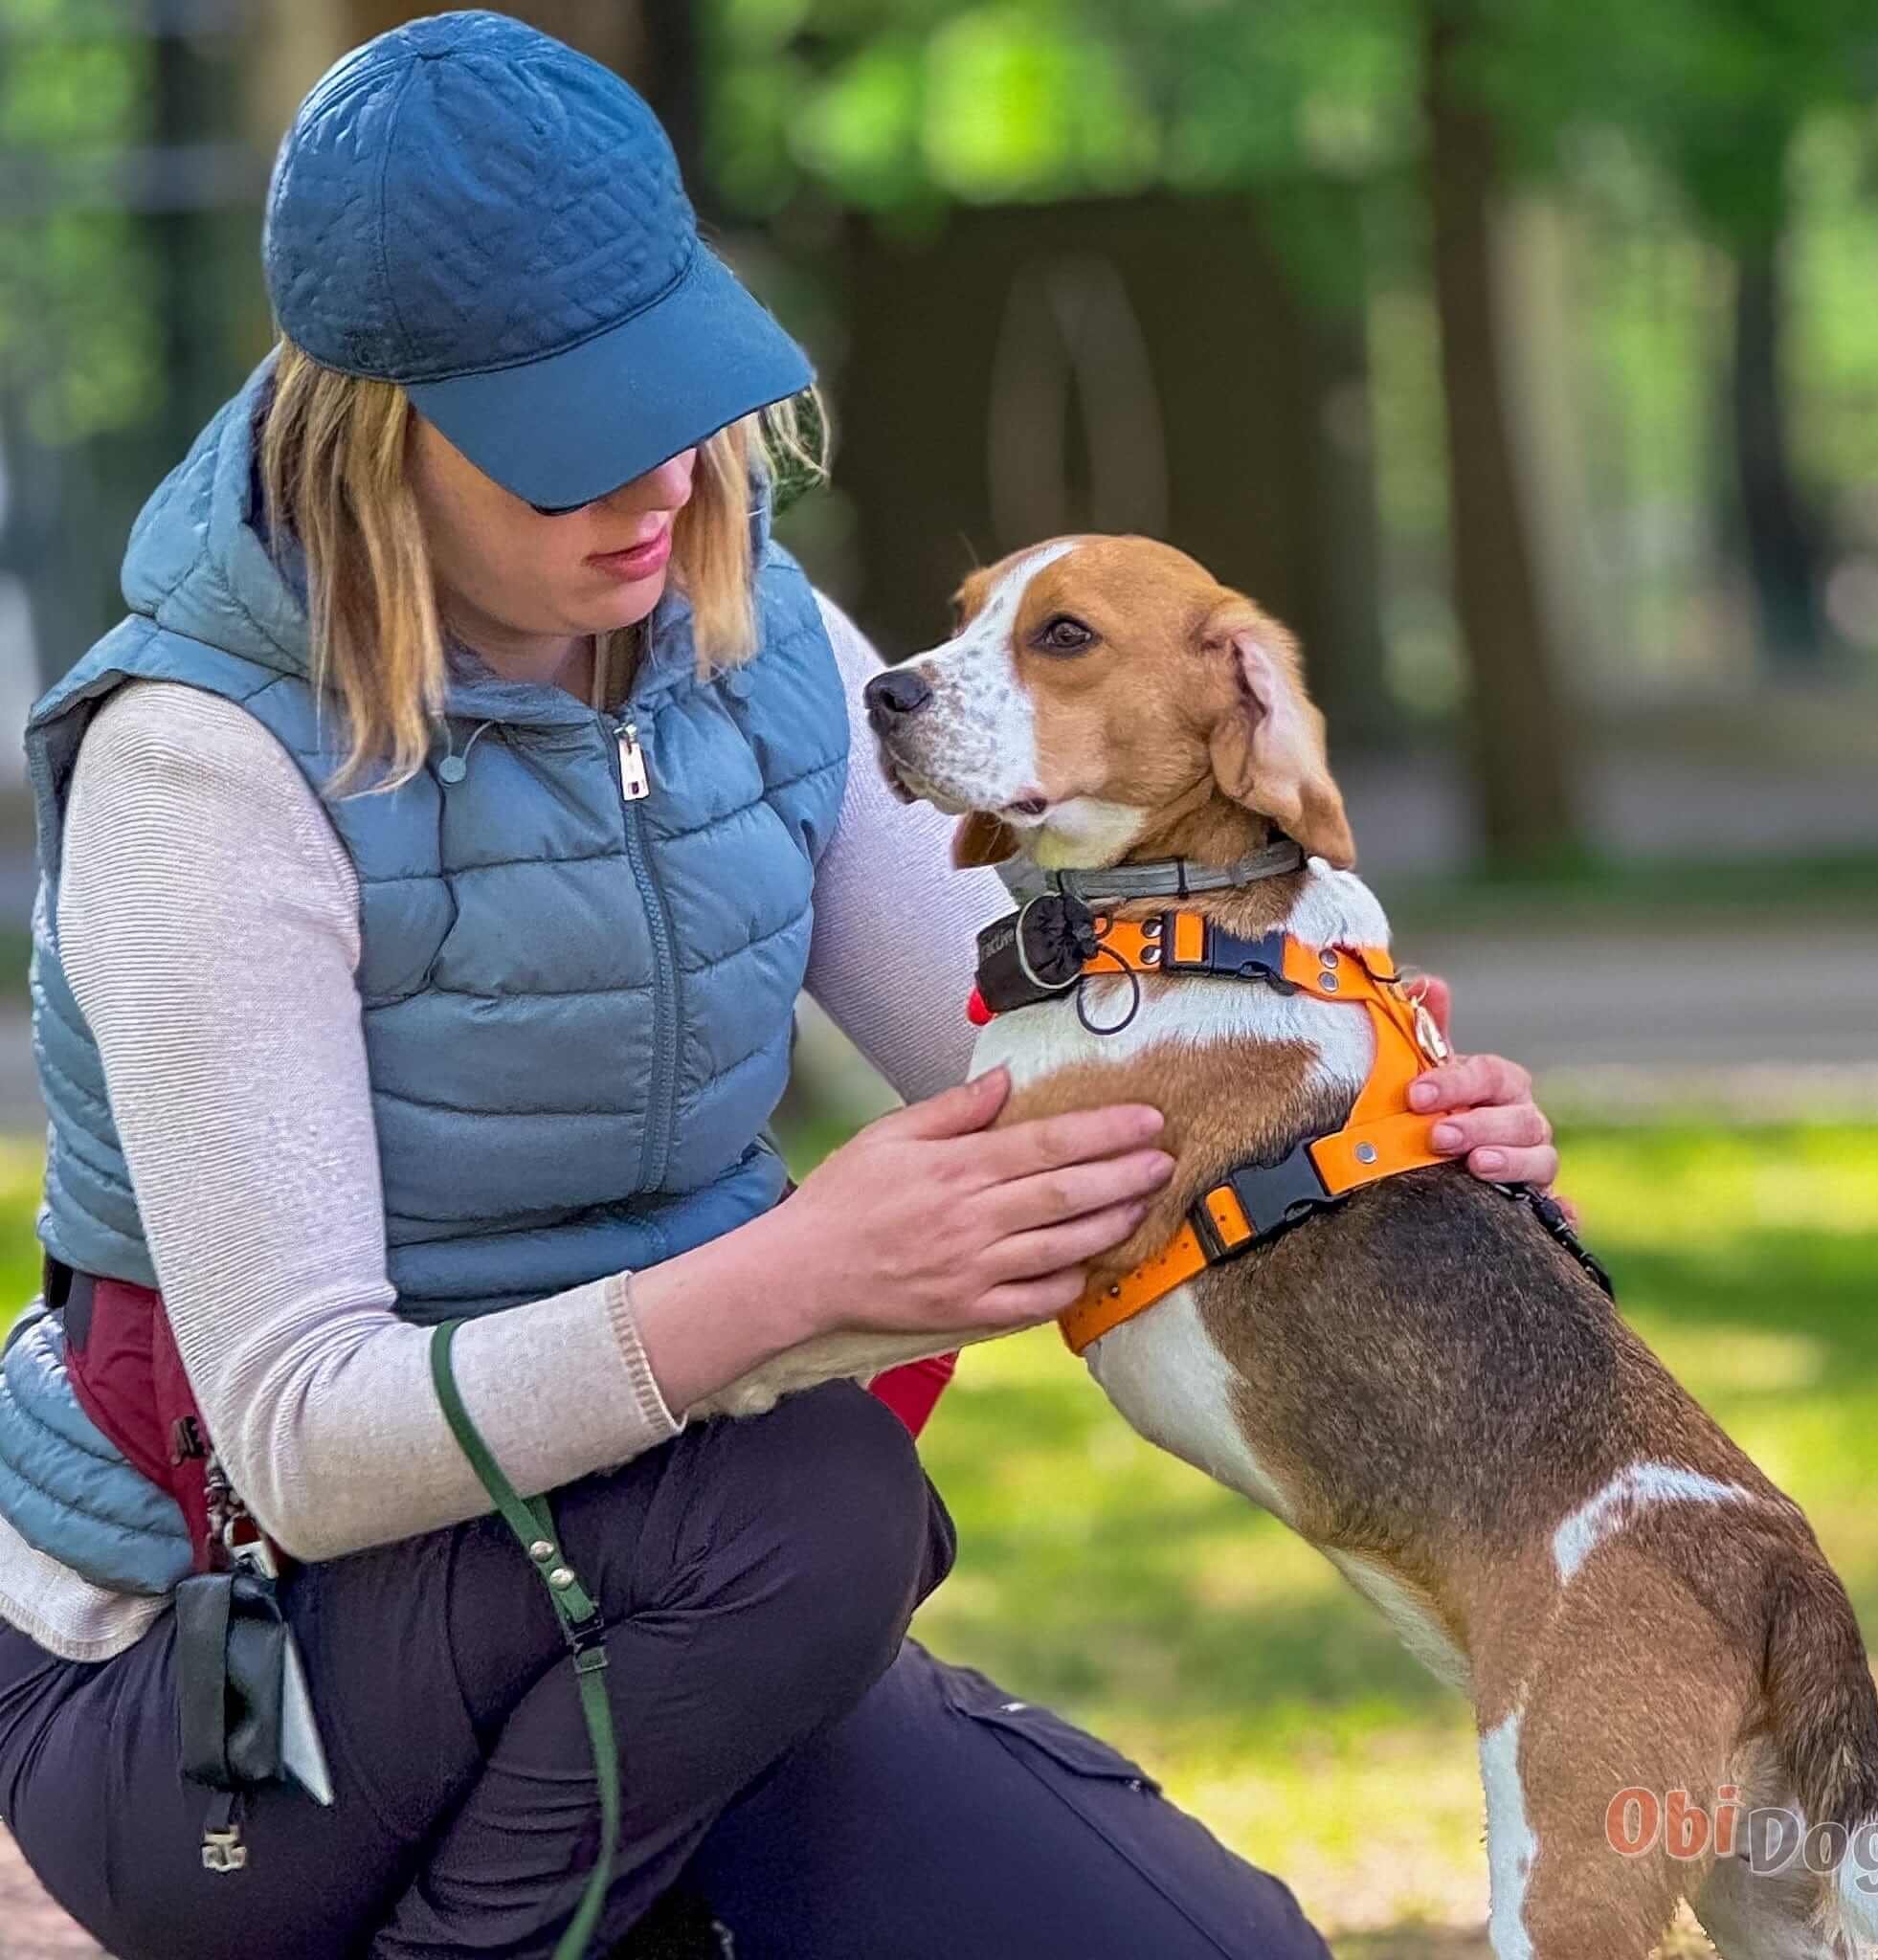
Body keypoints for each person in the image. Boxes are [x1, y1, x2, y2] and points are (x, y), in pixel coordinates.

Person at [0, 14, 1560, 1958]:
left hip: (674, 1620)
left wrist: (1372, 1132)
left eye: (675, 383)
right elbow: (306, 1445)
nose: (660, 477)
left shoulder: (748, 636)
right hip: (231, 1690)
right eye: (573, 434)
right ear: (377, 426)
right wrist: (798, 1282)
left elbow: (1064, 1093)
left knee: (1215, 1946)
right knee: (811, 1498)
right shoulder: (203, 765)